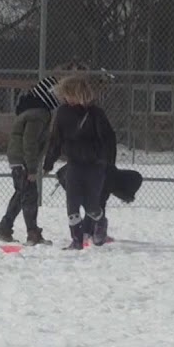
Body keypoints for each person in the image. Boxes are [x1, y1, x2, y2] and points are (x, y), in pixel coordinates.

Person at [0, 62, 89, 246]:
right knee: (30, 195)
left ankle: (5, 228)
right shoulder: (39, 114)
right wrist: (31, 168)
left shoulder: (31, 111)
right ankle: (32, 233)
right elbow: (29, 142)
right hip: (23, 160)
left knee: (22, 193)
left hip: (17, 158)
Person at [42, 75, 117, 250]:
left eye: (68, 94)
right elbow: (56, 140)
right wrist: (48, 163)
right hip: (74, 164)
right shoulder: (62, 112)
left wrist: (109, 164)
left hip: (95, 165)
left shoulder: (96, 114)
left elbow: (108, 139)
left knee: (91, 204)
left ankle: (100, 222)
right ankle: (76, 240)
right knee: (72, 203)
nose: (66, 98)